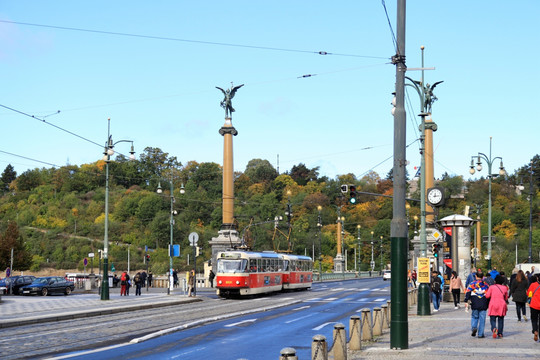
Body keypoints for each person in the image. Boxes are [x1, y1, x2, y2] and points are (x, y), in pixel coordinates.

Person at [464, 271, 490, 338]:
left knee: (474, 316)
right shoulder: (486, 285)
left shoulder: (472, 284)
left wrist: (466, 300)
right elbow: (489, 295)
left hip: (474, 302)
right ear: (482, 277)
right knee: (482, 319)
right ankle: (480, 334)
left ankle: (474, 327)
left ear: (476, 276)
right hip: (483, 303)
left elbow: (468, 293)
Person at [527, 273, 540, 342]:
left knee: (534, 319)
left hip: (534, 305)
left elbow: (529, 293)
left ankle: (535, 330)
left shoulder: (533, 285)